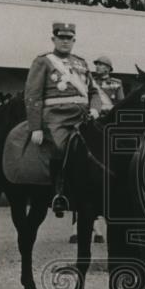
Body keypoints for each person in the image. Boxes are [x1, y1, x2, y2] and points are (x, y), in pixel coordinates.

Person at [25, 22, 102, 216]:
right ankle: (59, 193)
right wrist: (36, 127)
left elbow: (93, 92)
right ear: (54, 39)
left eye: (69, 38)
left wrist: (94, 109)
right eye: (61, 38)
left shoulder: (81, 63)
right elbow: (33, 95)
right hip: (56, 117)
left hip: (83, 116)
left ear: (74, 40)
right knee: (60, 147)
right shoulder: (43, 61)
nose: (65, 42)